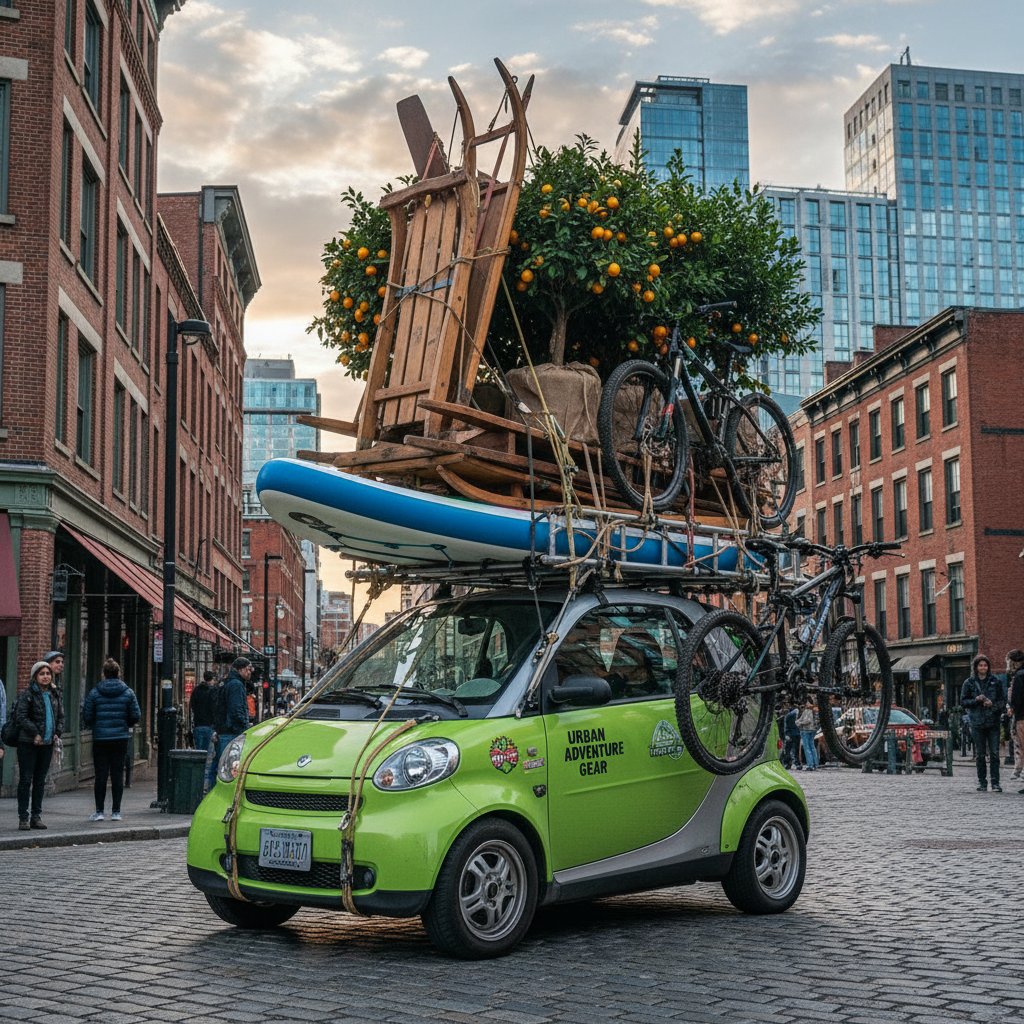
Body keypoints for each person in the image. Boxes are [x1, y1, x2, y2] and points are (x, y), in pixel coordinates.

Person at [81, 658, 141, 821]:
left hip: (100, 738)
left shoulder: (94, 692)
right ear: (118, 673)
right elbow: (135, 715)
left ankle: (99, 811)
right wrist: (125, 724)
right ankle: (116, 811)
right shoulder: (128, 692)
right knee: (117, 774)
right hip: (120, 738)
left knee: (100, 775)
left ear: (104, 674)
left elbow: (87, 715)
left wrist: (96, 725)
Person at [13, 661, 64, 830]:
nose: (45, 677)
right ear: (35, 676)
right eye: (42, 674)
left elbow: (61, 716)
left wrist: (58, 731)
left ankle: (36, 816)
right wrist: (35, 733)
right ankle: (23, 817)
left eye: (48, 674)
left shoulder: (54, 694)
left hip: (47, 743)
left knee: (40, 781)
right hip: (28, 743)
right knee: (26, 779)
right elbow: (21, 717)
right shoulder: (27, 694)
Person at [960, 655, 1006, 792]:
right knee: (980, 754)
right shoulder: (969, 683)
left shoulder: (995, 681)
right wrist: (976, 700)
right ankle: (982, 782)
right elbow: (963, 702)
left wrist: (993, 705)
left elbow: (1002, 701)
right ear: (976, 667)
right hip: (977, 722)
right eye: (980, 665)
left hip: (993, 722)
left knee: (994, 753)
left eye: (985, 665)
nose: (983, 668)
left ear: (988, 667)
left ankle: (995, 783)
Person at [214, 657, 253, 768]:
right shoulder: (236, 685)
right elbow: (236, 709)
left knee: (220, 764)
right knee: (228, 766)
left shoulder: (227, 682)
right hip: (231, 732)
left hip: (224, 730)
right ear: (241, 669)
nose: (249, 672)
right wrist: (244, 726)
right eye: (248, 669)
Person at [1006, 649, 1024, 783]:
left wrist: (1011, 708)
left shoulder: (1018, 676)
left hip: (1021, 717)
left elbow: (1016, 699)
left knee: (1021, 745)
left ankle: (1020, 771)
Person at [190, 670, 217, 756]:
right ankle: (205, 769)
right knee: (207, 753)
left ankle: (198, 769)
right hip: (209, 725)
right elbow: (215, 707)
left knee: (198, 751)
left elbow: (192, 705)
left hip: (198, 724)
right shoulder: (213, 691)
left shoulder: (196, 690)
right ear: (211, 679)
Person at [796, 702, 818, 772]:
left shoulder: (807, 711)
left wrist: (799, 723)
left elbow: (807, 720)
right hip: (813, 730)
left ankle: (810, 765)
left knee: (807, 747)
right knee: (812, 746)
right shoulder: (815, 710)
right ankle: (815, 763)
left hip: (806, 730)